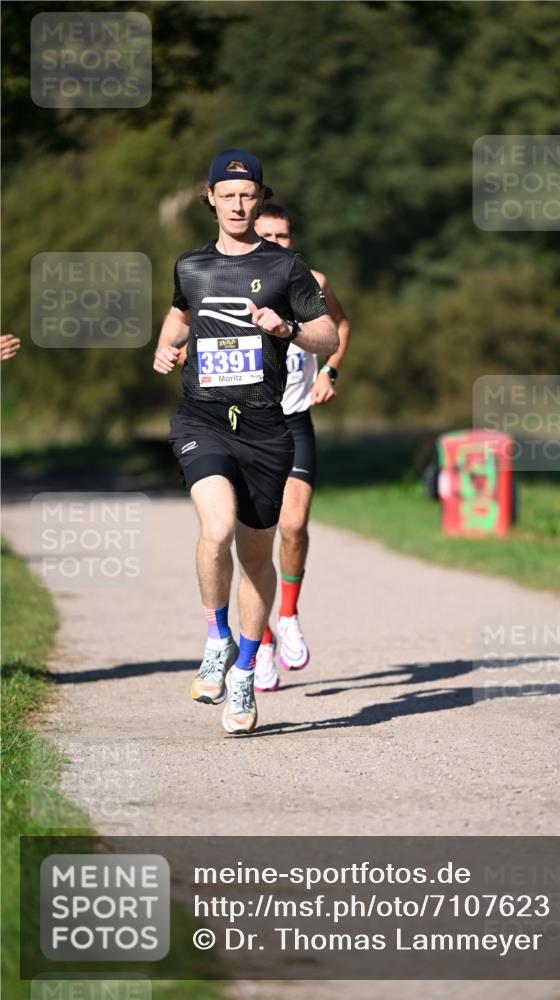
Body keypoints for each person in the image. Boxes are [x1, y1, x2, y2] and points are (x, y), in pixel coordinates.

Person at [153, 149, 338, 735]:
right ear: (210, 198)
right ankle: (216, 636)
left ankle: (243, 676)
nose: (237, 203)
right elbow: (181, 315)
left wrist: (285, 328)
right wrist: (164, 346)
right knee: (216, 529)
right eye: (226, 194)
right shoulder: (190, 265)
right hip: (202, 419)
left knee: (257, 557)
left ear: (259, 200)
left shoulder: (287, 268)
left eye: (247, 194)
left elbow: (328, 332)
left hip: (265, 428)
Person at [252, 205, 351, 691]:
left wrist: (330, 372)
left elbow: (342, 327)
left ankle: (287, 615)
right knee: (251, 542)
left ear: (293, 238)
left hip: (293, 421)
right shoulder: (232, 279)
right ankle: (262, 640)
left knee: (293, 525)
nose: (275, 241)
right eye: (266, 234)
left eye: (283, 234)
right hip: (244, 427)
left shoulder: (312, 280)